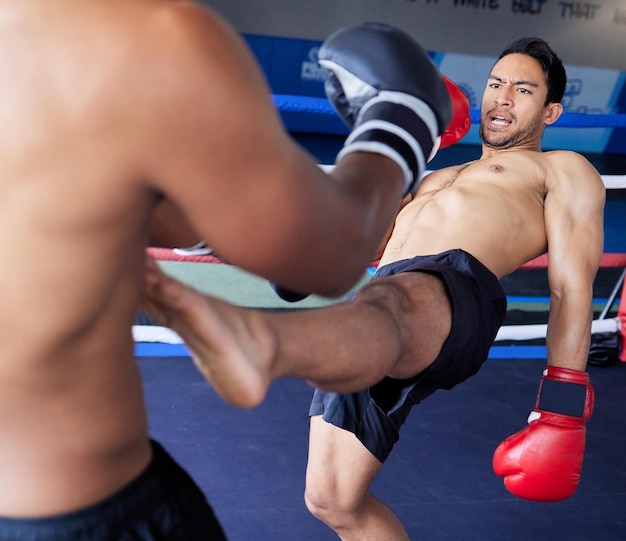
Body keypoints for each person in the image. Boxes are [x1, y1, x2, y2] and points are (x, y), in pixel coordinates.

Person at [0, 2, 456, 539]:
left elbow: (75, 202)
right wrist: (402, 118)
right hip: (77, 508)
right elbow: (330, 250)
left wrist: (239, 226)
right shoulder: (140, 38)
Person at [142, 36, 606, 540]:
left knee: (389, 299)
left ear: (551, 111)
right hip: (378, 305)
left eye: (523, 90)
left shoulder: (561, 169)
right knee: (332, 500)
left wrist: (560, 411)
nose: (503, 97)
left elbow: (571, 284)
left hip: (455, 289)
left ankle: (262, 341)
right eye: (496, 84)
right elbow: (364, 244)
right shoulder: (434, 175)